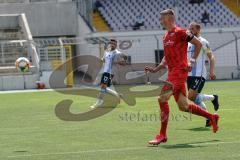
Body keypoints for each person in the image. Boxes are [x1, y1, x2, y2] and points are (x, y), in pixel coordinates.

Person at [145, 9, 219, 145]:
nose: (160, 21)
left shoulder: (181, 32)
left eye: (162, 18)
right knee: (184, 106)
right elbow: (166, 57)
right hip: (172, 72)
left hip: (179, 72)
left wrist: (192, 60)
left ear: (169, 18)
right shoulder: (165, 36)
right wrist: (156, 69)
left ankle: (162, 135)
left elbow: (199, 44)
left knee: (162, 98)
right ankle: (212, 117)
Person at [187, 22, 219, 127]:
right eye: (189, 28)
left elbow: (211, 57)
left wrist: (211, 71)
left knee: (191, 96)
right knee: (193, 98)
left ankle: (210, 112)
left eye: (192, 28)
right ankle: (210, 114)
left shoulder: (203, 42)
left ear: (198, 29)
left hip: (199, 74)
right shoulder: (188, 42)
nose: (190, 30)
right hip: (189, 74)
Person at [90, 39, 125, 109]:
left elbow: (123, 62)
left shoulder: (118, 53)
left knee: (103, 87)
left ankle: (98, 102)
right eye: (111, 43)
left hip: (110, 72)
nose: (112, 45)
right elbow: (104, 59)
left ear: (116, 45)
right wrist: (103, 60)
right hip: (104, 71)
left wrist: (115, 62)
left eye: (114, 44)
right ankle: (117, 95)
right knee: (104, 87)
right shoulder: (107, 51)